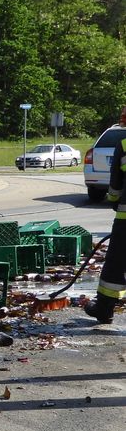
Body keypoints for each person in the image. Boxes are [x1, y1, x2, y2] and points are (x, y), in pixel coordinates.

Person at [85, 107, 126, 322]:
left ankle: (104, 309)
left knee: (116, 263)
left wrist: (113, 202)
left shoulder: (124, 144)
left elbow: (115, 186)